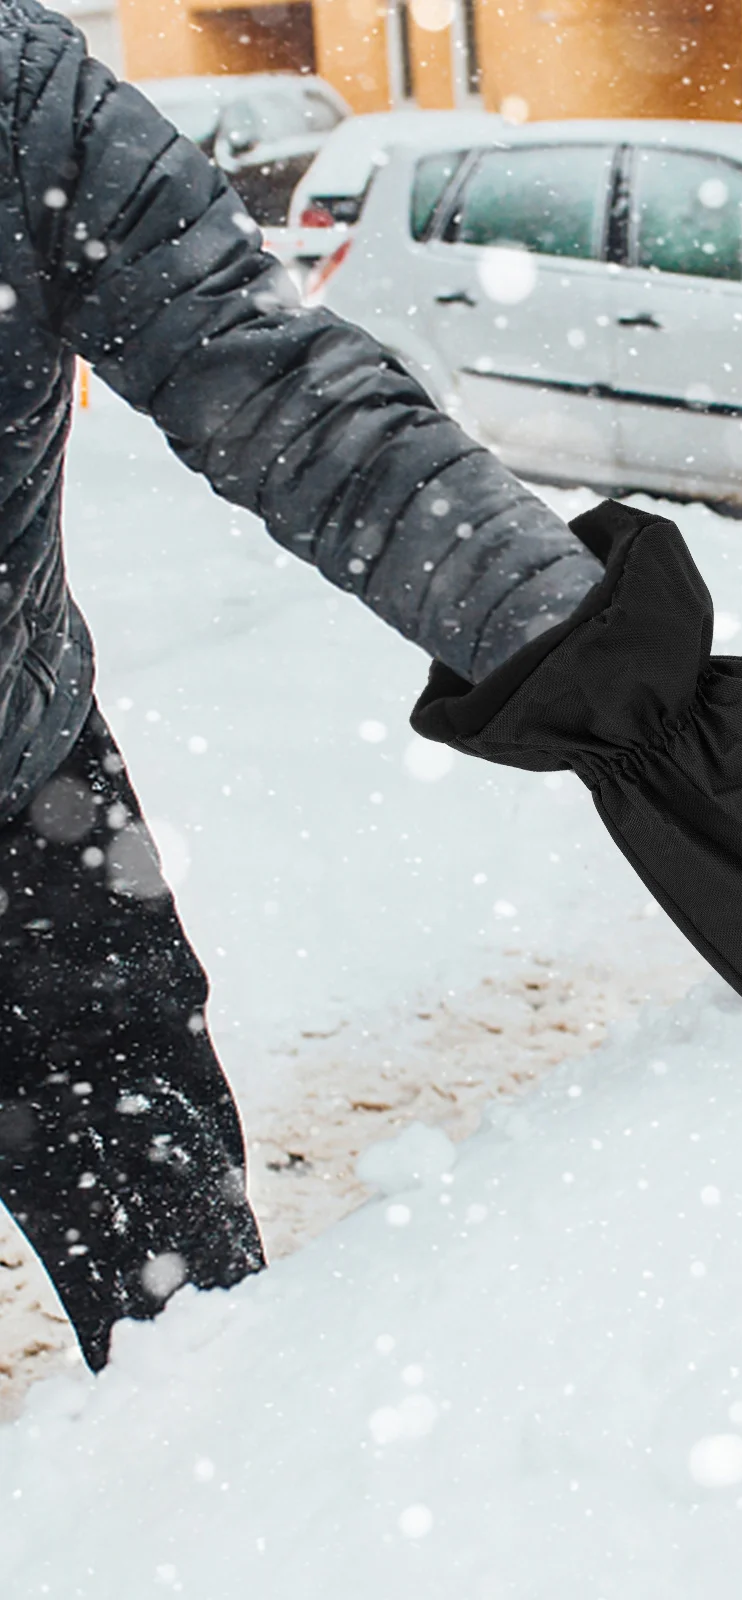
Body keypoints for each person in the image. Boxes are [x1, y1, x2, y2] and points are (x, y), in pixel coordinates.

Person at [0, 0, 604, 1370]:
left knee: (194, 1340)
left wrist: (566, 635)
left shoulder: (17, 96)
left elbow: (281, 389)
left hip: (21, 809)